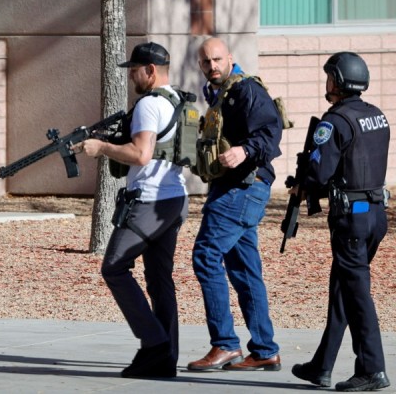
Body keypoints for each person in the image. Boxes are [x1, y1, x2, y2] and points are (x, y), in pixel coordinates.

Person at [76, 42, 188, 378]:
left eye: (135, 70)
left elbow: (140, 154)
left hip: (150, 201)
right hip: (175, 199)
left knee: (114, 267)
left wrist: (102, 147)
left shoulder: (149, 104)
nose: (131, 77)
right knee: (159, 278)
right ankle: (165, 358)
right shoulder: (177, 99)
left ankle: (155, 344)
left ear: (150, 71)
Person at [290, 52, 390, 392]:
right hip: (375, 215)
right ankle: (321, 366)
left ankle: (372, 370)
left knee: (357, 294)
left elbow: (320, 173)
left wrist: (304, 184)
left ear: (339, 80)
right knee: (343, 290)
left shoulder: (334, 121)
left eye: (330, 76)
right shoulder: (376, 116)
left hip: (352, 221)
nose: (327, 82)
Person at [186, 37, 282, 372]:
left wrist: (244, 150)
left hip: (243, 188)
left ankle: (225, 344)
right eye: (206, 62)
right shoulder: (218, 92)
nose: (212, 66)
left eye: (217, 59)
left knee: (206, 255)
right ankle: (265, 350)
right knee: (244, 268)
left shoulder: (246, 90)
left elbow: (271, 132)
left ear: (229, 57)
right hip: (233, 187)